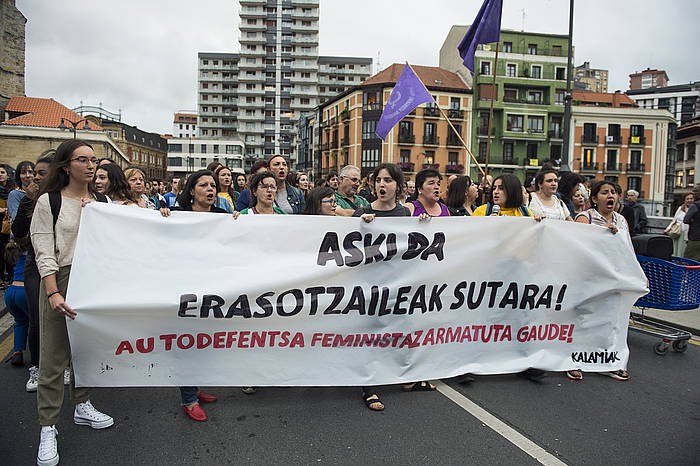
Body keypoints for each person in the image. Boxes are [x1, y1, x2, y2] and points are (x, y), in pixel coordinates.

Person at [29, 139, 113, 466]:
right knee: (53, 357)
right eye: (83, 160)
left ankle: (82, 404)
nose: (91, 166)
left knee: (86, 350)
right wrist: (52, 292)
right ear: (66, 166)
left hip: (93, 280)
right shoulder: (49, 202)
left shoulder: (103, 201)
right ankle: (48, 426)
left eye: (94, 160)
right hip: (61, 279)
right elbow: (43, 250)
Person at [354, 163, 432, 408]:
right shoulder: (363, 213)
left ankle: (406, 377)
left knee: (401, 329)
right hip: (372, 285)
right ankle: (369, 386)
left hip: (399, 283)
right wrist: (362, 226)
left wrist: (424, 225)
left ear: (397, 186)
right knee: (372, 334)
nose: (381, 185)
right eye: (378, 180)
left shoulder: (404, 215)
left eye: (387, 180)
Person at [161, 170, 232, 421]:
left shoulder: (223, 216)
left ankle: (195, 387)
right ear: (192, 190)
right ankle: (188, 399)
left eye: (213, 185)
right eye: (203, 185)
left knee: (204, 342)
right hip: (186, 287)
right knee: (188, 343)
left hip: (214, 288)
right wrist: (162, 218)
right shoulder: (178, 215)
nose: (210, 189)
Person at [573, 180, 631, 381]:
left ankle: (612, 361)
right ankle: (574, 361)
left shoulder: (622, 221)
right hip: (589, 277)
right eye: (605, 192)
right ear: (594, 198)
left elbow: (628, 250)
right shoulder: (585, 218)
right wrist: (601, 234)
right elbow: (577, 248)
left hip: (614, 277)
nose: (610, 196)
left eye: (613, 192)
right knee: (584, 320)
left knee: (612, 321)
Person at [12, 154, 55, 392]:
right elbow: (18, 232)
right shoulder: (28, 200)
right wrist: (28, 202)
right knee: (36, 317)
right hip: (34, 264)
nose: (35, 177)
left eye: (41, 173)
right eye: (33, 173)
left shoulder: (64, 199)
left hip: (63, 264)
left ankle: (63, 365)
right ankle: (37, 368)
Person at [5, 237, 30, 367]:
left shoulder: (18, 253)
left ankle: (17, 353)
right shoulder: (34, 254)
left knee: (20, 322)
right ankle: (39, 354)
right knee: (37, 323)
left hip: (10, 292)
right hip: (24, 292)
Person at [0, 164, 15, 285]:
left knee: (9, 251)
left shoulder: (13, 191)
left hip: (8, 226)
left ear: (8, 175)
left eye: (2, 172)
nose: (0, 174)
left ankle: (10, 277)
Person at [665, 193, 694, 257]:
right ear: (684, 200)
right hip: (677, 232)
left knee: (683, 250)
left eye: (691, 198)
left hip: (687, 233)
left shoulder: (695, 209)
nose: (689, 200)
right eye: (687, 199)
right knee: (675, 250)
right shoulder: (680, 208)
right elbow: (674, 220)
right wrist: (668, 228)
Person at [683, 189, 700, 261]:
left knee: (689, 261)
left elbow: (686, 220)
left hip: (695, 237)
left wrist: (694, 221)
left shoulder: (695, 205)